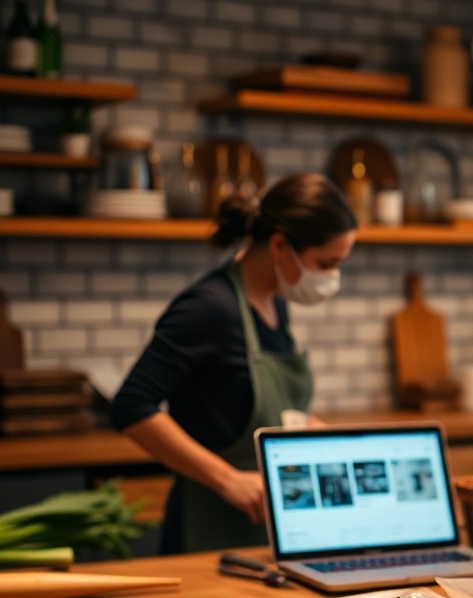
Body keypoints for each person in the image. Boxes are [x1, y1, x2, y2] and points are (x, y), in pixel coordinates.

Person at [111, 173, 357, 553]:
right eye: (325, 263)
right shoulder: (209, 307)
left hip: (266, 526)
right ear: (279, 244)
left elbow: (233, 400)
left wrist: (304, 427)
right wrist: (228, 479)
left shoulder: (274, 303)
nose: (331, 277)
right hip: (210, 528)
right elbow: (132, 406)